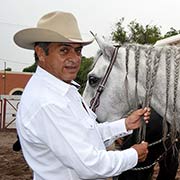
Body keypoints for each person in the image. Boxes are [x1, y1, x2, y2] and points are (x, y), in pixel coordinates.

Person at [14, 11, 150, 180]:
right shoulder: (48, 102)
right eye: (64, 50)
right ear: (41, 53)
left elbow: (87, 135)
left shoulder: (64, 91)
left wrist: (125, 124)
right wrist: (133, 155)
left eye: (77, 51)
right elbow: (90, 165)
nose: (75, 59)